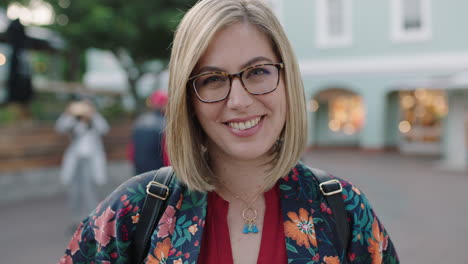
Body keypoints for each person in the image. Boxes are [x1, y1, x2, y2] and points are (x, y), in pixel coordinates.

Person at [58, 1, 399, 263]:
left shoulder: (344, 208)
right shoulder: (132, 211)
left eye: (258, 72)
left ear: (287, 80)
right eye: (212, 79)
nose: (239, 101)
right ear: (188, 100)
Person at [55, 97, 109, 226]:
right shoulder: (73, 121)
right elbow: (60, 127)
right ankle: (76, 220)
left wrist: (93, 114)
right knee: (75, 191)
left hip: (91, 160)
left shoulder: (94, 121)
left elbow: (105, 129)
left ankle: (93, 219)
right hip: (76, 160)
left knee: (90, 190)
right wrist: (68, 112)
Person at [129, 90, 169, 174]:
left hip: (140, 172)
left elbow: (131, 152)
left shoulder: (139, 121)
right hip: (160, 174)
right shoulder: (166, 125)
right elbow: (167, 157)